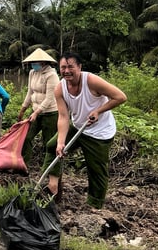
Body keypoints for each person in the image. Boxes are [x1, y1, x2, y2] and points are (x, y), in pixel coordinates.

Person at [42, 52, 127, 208]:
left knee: (96, 170)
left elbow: (120, 97)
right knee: (53, 146)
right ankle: (52, 187)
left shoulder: (91, 81)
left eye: (70, 67)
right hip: (78, 126)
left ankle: (95, 206)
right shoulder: (60, 88)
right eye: (63, 67)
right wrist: (61, 142)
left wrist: (99, 111)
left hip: (100, 132)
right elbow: (63, 116)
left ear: (79, 67)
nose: (66, 71)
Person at [17, 48, 59, 165]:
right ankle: (24, 163)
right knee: (26, 137)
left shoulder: (52, 75)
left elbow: (50, 98)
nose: (33, 65)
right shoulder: (32, 73)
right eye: (32, 63)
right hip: (35, 110)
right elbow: (30, 92)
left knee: (48, 141)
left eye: (35, 63)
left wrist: (36, 113)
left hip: (50, 113)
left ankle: (48, 166)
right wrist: (23, 109)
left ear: (43, 62)